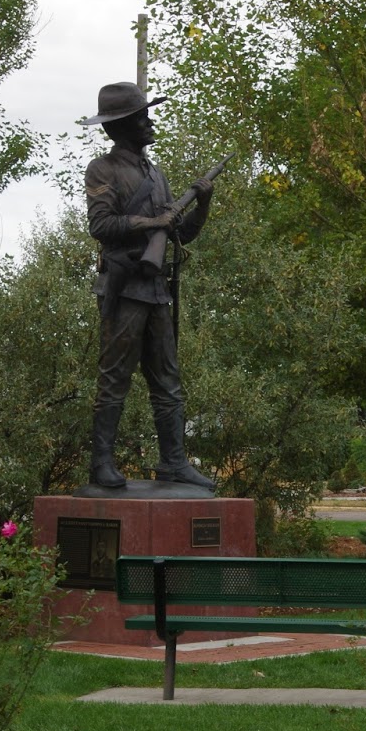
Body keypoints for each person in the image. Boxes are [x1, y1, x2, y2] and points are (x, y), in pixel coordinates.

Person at [77, 81, 217, 491]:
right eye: (142, 116)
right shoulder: (102, 169)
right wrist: (152, 222)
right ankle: (101, 462)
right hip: (124, 291)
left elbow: (181, 237)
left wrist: (203, 204)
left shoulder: (156, 174)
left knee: (168, 382)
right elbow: (101, 226)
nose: (149, 122)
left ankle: (174, 461)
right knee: (114, 380)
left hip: (157, 291)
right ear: (122, 126)